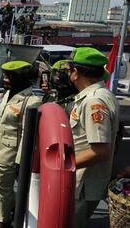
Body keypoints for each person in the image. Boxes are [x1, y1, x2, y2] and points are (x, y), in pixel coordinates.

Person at [59, 47, 119, 228]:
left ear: (76, 73)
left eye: (69, 70)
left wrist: (61, 165)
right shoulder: (100, 95)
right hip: (81, 182)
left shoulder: (94, 101)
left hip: (82, 185)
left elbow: (100, 151)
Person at [0, 61, 42, 228]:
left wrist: (20, 161)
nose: (4, 79)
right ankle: (9, 207)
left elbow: (27, 133)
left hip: (10, 153)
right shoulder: (8, 94)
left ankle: (2, 220)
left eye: (8, 76)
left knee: (1, 186)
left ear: (20, 78)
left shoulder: (31, 101)